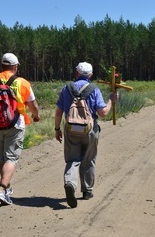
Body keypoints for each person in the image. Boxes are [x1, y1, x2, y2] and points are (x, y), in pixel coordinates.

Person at [0, 53, 40, 206]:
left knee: (2, 158)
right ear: (15, 67)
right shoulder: (23, 83)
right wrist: (36, 116)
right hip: (16, 125)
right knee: (11, 158)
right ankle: (2, 189)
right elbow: (33, 105)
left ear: (2, 66)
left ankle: (7, 188)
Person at [54, 62, 118, 208]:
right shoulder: (94, 89)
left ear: (76, 72)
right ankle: (87, 191)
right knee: (89, 159)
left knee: (72, 160)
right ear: (91, 75)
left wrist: (57, 129)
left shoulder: (66, 88)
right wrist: (110, 101)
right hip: (89, 130)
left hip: (70, 129)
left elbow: (58, 112)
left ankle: (70, 183)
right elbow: (103, 113)